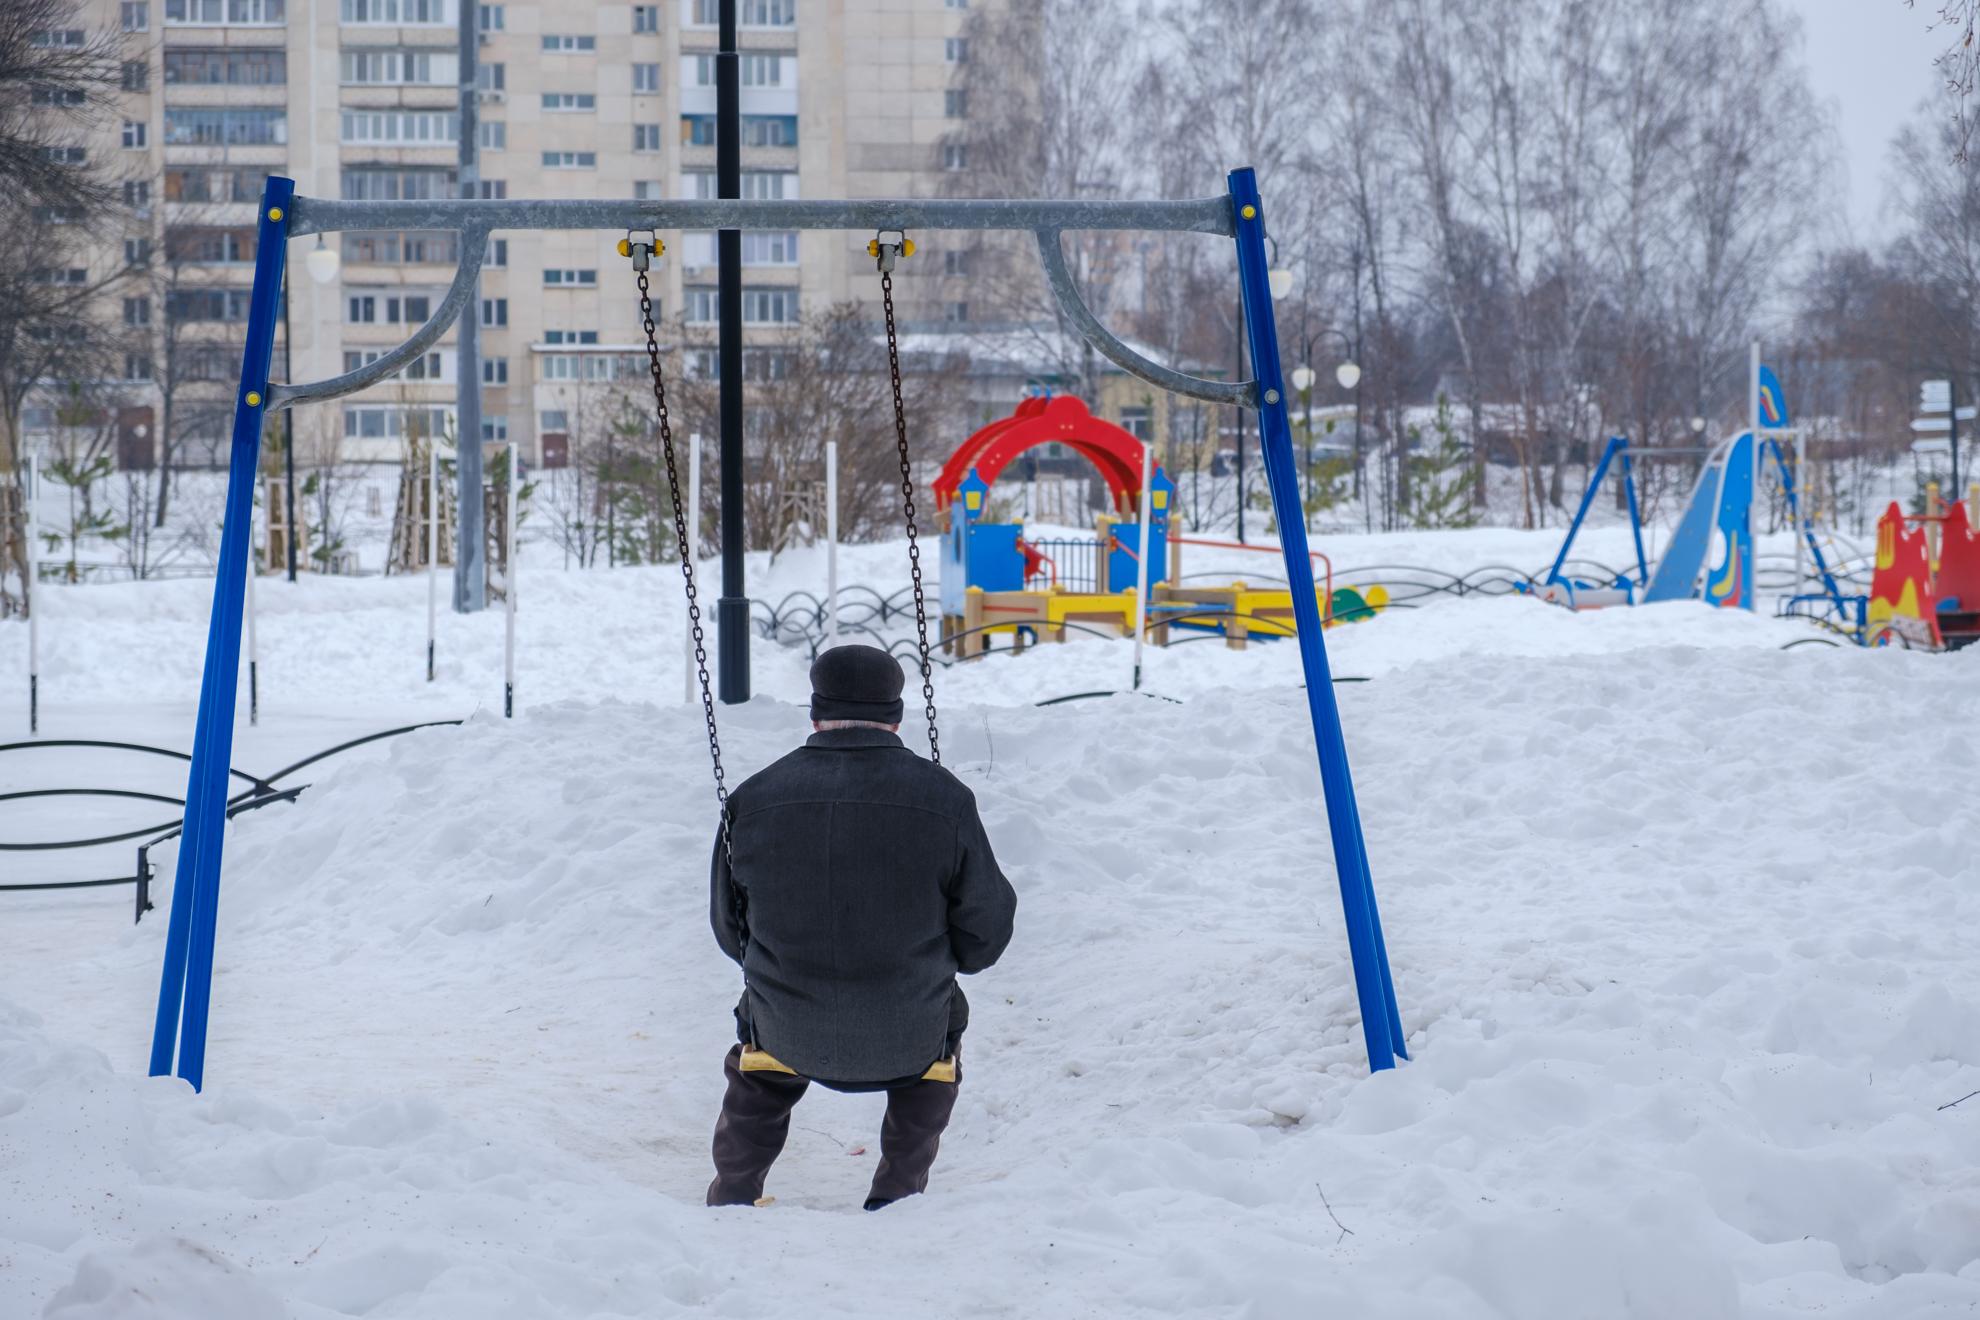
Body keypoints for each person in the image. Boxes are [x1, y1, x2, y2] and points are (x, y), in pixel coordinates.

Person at [706, 644, 1017, 1210]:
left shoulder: (751, 800)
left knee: (757, 1046)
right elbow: (985, 931)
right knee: (942, 1034)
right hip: (909, 1032)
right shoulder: (945, 800)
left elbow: (731, 931)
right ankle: (897, 1194)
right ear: (897, 717)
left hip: (785, 1031)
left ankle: (732, 1194)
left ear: (815, 713)